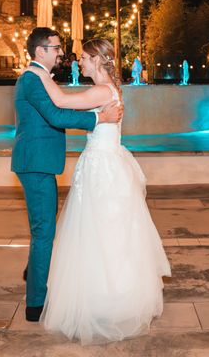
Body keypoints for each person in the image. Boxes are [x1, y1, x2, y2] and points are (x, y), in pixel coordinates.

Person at [26, 38, 171, 345]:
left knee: (100, 231)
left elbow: (62, 103)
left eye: (83, 59)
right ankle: (113, 294)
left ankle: (103, 299)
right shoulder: (109, 90)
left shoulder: (102, 91)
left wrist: (39, 74)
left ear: (96, 60)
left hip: (101, 170)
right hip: (107, 165)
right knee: (109, 231)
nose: (79, 62)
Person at [11, 28, 123, 323]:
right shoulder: (33, 78)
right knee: (45, 230)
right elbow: (57, 114)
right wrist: (100, 117)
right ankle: (35, 303)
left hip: (41, 162)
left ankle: (34, 270)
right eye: (57, 47)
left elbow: (61, 103)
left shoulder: (41, 78)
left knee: (46, 226)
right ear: (40, 52)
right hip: (35, 163)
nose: (62, 53)